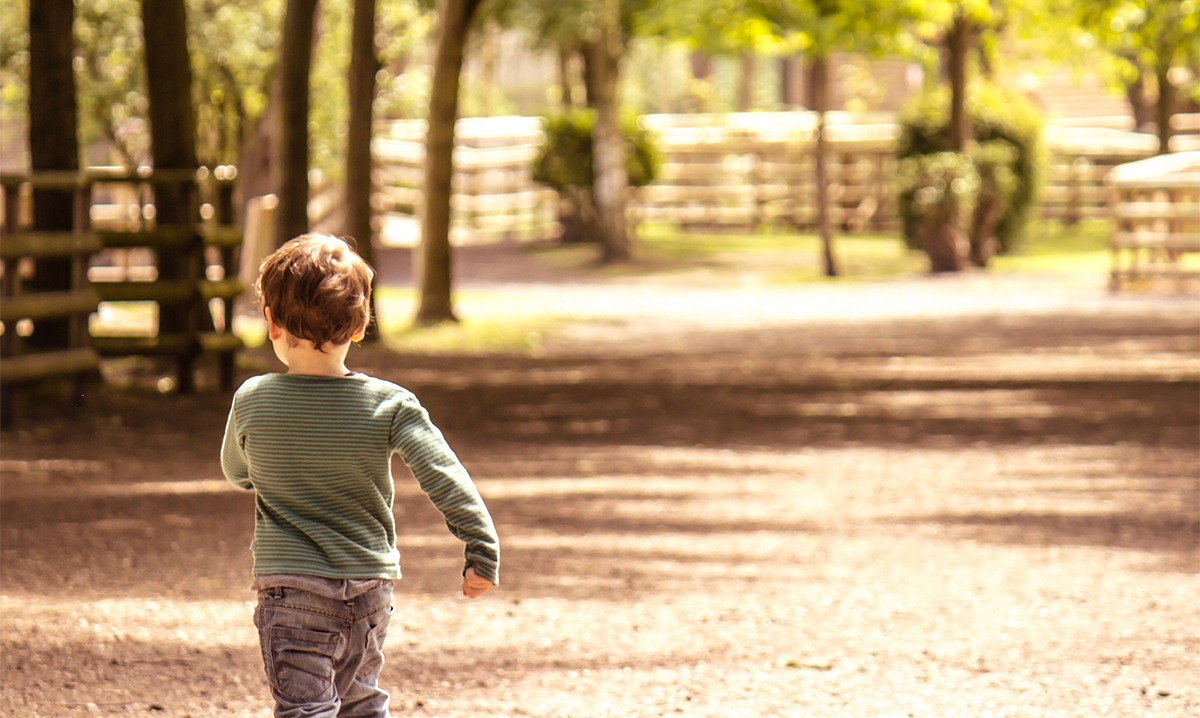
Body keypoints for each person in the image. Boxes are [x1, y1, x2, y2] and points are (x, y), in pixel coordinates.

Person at [221, 234, 499, 718]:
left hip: (293, 594)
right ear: (358, 328)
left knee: (306, 710)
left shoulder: (253, 399)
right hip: (369, 590)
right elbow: (444, 475)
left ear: (271, 323)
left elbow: (237, 472)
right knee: (361, 703)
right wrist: (481, 547)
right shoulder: (390, 404)